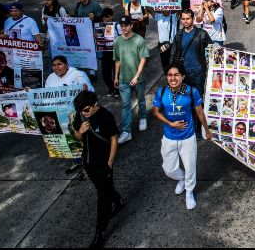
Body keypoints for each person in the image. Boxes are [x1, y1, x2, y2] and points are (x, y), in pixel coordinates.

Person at [152, 64, 212, 211]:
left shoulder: (192, 92)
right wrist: (170, 123)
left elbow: (199, 113)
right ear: (167, 77)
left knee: (190, 166)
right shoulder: (162, 91)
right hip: (169, 137)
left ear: (183, 76)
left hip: (187, 137)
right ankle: (182, 179)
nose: (173, 78)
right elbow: (156, 112)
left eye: (176, 74)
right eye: (170, 75)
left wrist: (207, 130)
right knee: (169, 169)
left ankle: (189, 191)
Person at [72, 90, 121, 249]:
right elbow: (76, 135)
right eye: (81, 111)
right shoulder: (80, 115)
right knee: (103, 188)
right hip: (88, 161)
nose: (84, 113)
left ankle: (100, 231)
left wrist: (110, 162)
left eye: (87, 110)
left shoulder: (106, 116)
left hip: (103, 162)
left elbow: (114, 139)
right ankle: (118, 201)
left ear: (95, 105)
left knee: (102, 197)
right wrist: (81, 132)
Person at [168, 9, 212, 122]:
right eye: (183, 19)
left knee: (197, 101)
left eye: (188, 18)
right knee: (185, 101)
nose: (185, 21)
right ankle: (189, 124)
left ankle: (198, 125)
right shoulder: (178, 35)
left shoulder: (202, 34)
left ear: (193, 19)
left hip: (198, 74)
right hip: (184, 75)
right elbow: (173, 55)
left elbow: (213, 50)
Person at [113, 15, 150, 144]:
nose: (123, 28)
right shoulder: (117, 41)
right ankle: (126, 131)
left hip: (138, 79)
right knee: (125, 105)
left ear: (131, 26)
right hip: (123, 79)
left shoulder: (139, 40)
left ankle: (143, 117)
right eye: (122, 26)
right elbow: (117, 60)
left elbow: (143, 59)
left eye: (126, 26)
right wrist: (116, 76)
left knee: (141, 100)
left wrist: (136, 76)